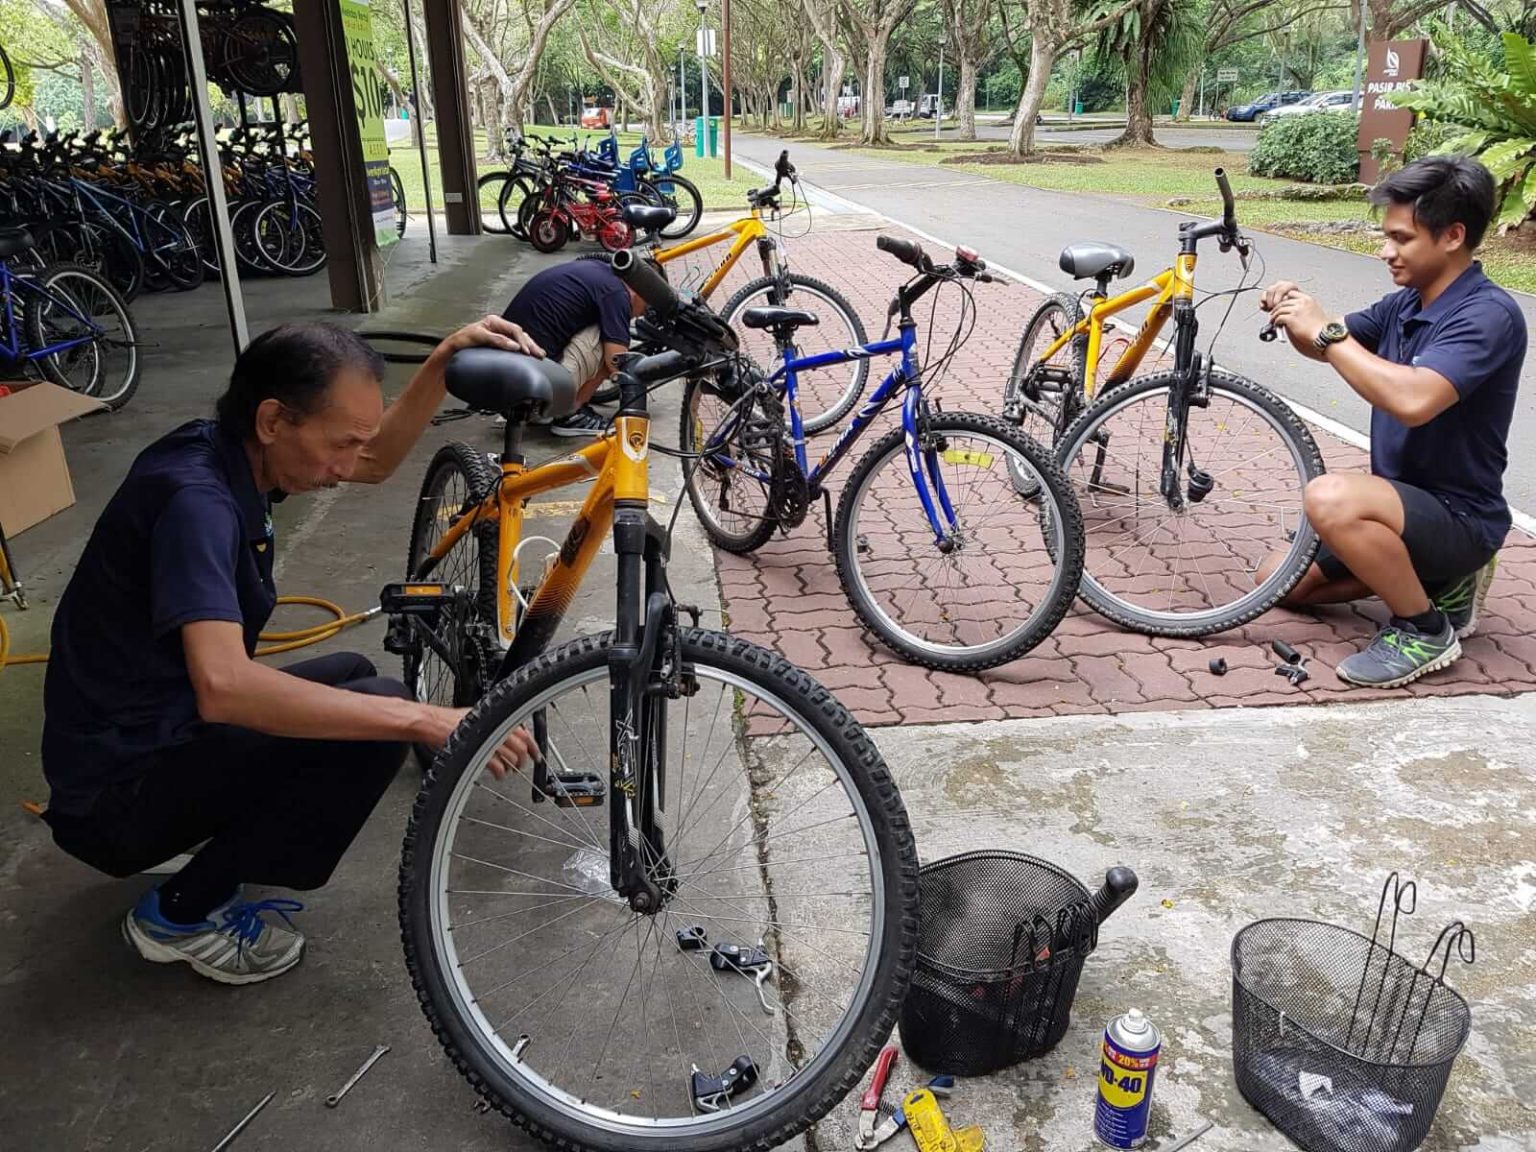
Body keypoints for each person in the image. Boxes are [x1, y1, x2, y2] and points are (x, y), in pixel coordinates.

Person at [41, 320, 545, 985]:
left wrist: (443, 359)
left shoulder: (233, 451)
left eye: (353, 442)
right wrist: (424, 719)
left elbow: (373, 460)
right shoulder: (197, 501)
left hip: (152, 731)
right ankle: (178, 915)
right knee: (383, 713)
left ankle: (208, 837)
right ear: (274, 418)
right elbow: (225, 686)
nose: (345, 468)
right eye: (338, 442)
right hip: (112, 797)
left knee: (355, 676)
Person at [1258, 155, 1525, 688]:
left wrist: (1328, 335)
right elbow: (1327, 342)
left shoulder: (1488, 316)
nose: (1386, 251)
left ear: (1452, 236)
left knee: (1331, 498)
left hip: (1461, 516)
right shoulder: (1406, 303)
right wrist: (1296, 312)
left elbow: (1413, 400)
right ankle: (1437, 581)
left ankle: (1423, 628)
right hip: (1402, 507)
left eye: (1401, 239)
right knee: (1277, 582)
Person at [501, 254, 650, 437]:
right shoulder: (617, 294)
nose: (641, 315)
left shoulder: (597, 270)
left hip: (506, 383)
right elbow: (616, 364)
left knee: (608, 331)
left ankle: (547, 407)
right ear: (640, 291)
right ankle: (571, 413)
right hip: (528, 389)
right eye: (646, 307)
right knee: (615, 352)